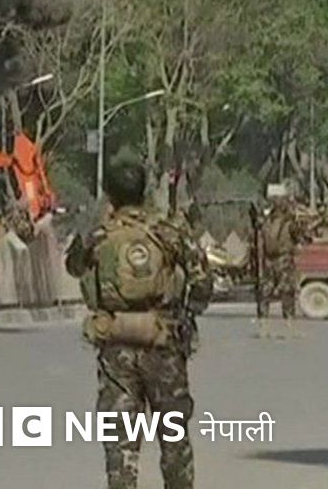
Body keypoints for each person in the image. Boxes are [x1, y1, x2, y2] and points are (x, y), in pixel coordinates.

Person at [65, 158, 212, 489]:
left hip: (116, 347)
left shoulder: (98, 235)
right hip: (164, 344)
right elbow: (203, 281)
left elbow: (74, 267)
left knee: (121, 443)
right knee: (173, 437)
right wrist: (186, 316)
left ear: (109, 195)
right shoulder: (169, 231)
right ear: (144, 192)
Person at [257, 189, 309, 337]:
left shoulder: (267, 222)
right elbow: (302, 238)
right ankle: (289, 328)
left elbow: (261, 244)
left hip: (270, 261)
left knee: (265, 295)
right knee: (287, 294)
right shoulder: (288, 223)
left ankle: (264, 328)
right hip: (283, 261)